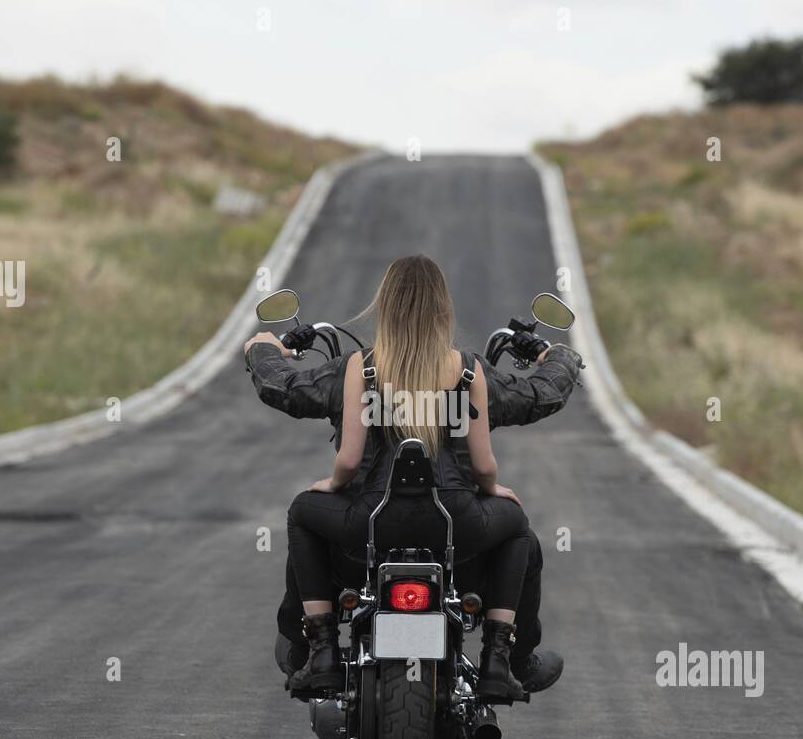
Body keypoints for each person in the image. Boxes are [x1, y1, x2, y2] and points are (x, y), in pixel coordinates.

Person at [245, 275, 584, 694]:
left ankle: (321, 649)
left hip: (370, 525)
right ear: (444, 312)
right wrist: (560, 357)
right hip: (456, 528)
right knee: (519, 529)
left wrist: (263, 349)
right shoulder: (467, 369)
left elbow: (294, 396)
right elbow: (527, 409)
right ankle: (502, 660)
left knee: (303, 512)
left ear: (384, 308)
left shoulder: (360, 367)